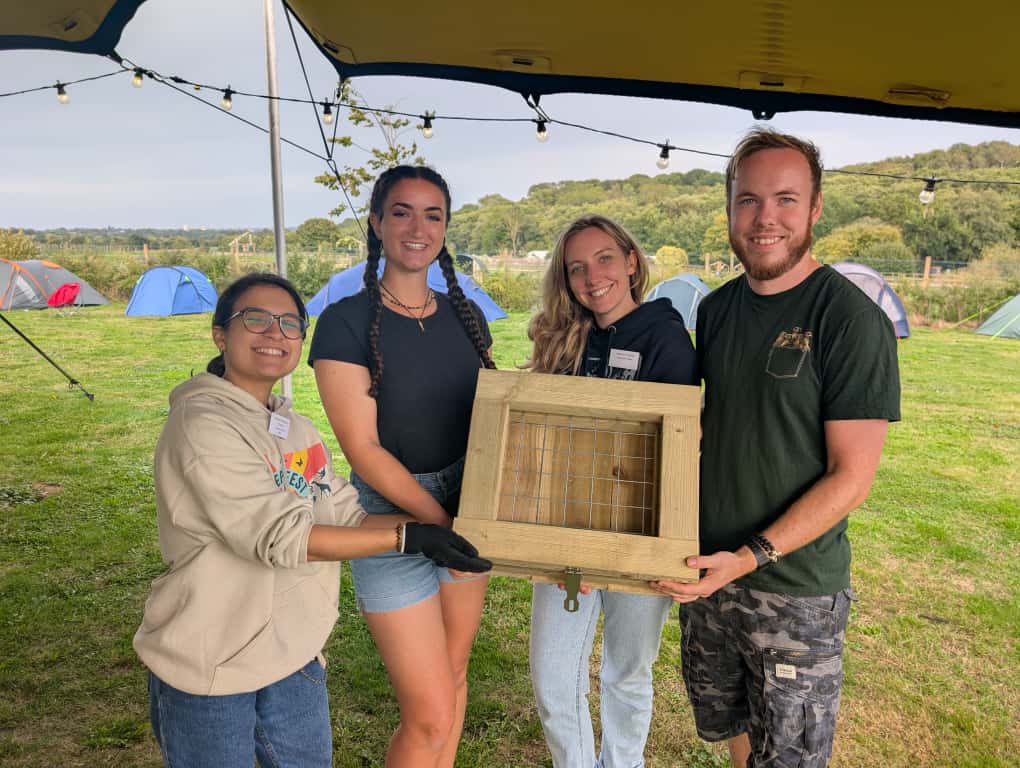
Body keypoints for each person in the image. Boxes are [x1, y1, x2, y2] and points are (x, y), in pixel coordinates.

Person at [134, 273, 490, 768]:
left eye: (289, 324)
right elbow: (282, 537)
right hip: (210, 666)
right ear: (221, 334)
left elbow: (344, 512)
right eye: (255, 319)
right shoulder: (201, 425)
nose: (274, 334)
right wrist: (409, 535)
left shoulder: (294, 428)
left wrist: (442, 532)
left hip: (294, 659)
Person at [653, 129, 901, 768]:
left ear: (816, 208)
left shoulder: (849, 320)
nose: (766, 219)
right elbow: (703, 427)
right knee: (731, 731)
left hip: (793, 588)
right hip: (709, 573)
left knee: (787, 756)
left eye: (786, 200)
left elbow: (851, 478)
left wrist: (750, 555)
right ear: (729, 208)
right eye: (748, 200)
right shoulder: (716, 310)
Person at [309, 165, 496, 768]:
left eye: (433, 214)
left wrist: (476, 509)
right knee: (428, 712)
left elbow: (493, 419)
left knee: (455, 672)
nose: (418, 227)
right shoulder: (345, 321)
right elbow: (364, 449)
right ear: (375, 222)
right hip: (392, 516)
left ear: (445, 227)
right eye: (402, 212)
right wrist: (437, 522)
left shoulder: (467, 316)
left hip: (466, 501)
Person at [525, 214, 697, 768]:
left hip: (642, 531)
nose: (591, 276)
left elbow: (678, 442)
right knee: (554, 679)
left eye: (603, 259)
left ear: (630, 261)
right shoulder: (563, 338)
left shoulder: (666, 335)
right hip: (566, 527)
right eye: (576, 267)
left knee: (627, 672)